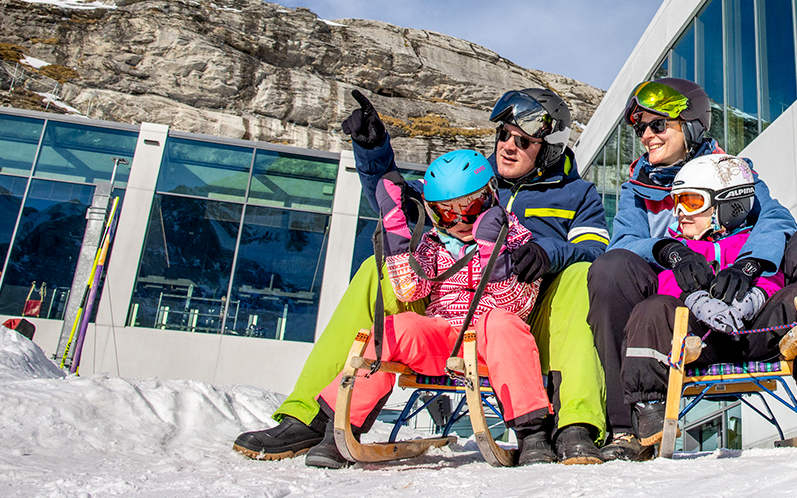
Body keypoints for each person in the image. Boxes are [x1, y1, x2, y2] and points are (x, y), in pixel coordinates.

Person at [234, 86, 610, 464]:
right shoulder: (467, 178)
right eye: (504, 135)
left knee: (579, 275)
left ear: (548, 149)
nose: (508, 147)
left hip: (526, 313)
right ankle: (313, 417)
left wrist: (549, 252)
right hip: (446, 310)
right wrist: (373, 150)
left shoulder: (576, 194)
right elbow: (398, 203)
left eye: (524, 142)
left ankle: (575, 424)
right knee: (375, 271)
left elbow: (596, 250)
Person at [586, 77, 797, 460]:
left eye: (657, 125)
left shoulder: (732, 173)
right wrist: (667, 250)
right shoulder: (638, 189)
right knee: (610, 269)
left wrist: (752, 264)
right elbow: (623, 244)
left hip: (754, 310)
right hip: (682, 318)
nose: (646, 135)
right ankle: (627, 427)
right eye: (640, 128)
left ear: (690, 124)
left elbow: (777, 220)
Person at [306, 149, 556, 468]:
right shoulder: (435, 244)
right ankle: (338, 428)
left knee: (503, 324)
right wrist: (397, 238)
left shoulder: (518, 239)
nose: (462, 222)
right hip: (442, 338)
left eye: (473, 208)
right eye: (448, 214)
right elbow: (411, 289)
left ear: (491, 198)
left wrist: (495, 257)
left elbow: (518, 306)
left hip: (491, 343)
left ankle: (532, 435)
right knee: (397, 328)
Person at [619, 155, 797, 446]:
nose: (680, 212)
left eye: (691, 202)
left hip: (755, 335)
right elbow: (665, 284)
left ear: (726, 206)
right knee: (650, 310)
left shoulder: (751, 242)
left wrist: (754, 294)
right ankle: (649, 406)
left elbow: (774, 276)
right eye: (677, 202)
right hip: (701, 341)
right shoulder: (681, 251)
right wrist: (696, 298)